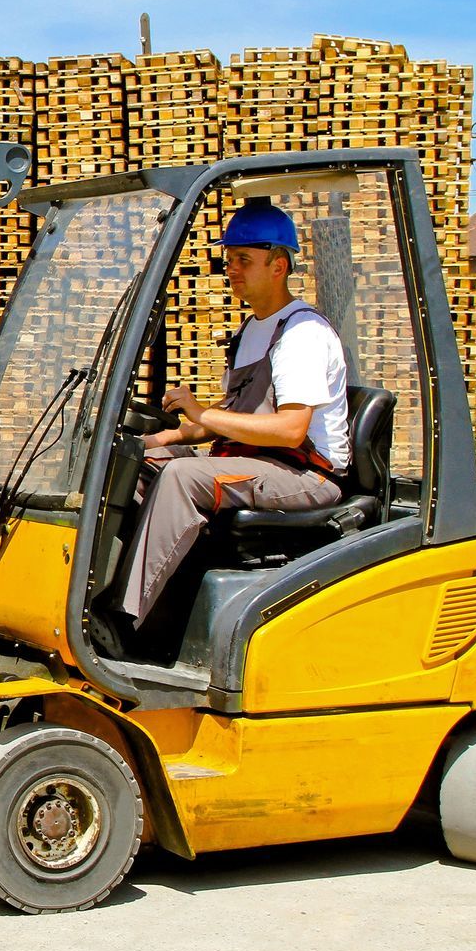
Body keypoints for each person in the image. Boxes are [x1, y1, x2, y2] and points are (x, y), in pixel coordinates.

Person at [113, 198, 351, 644]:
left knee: (184, 476)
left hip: (305, 474)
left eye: (243, 259)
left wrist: (201, 413)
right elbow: (233, 416)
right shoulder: (252, 329)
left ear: (278, 266)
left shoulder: (301, 334)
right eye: (230, 259)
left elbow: (289, 429)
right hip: (262, 463)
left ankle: (126, 624)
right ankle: (140, 597)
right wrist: (162, 436)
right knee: (145, 466)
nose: (232, 269)